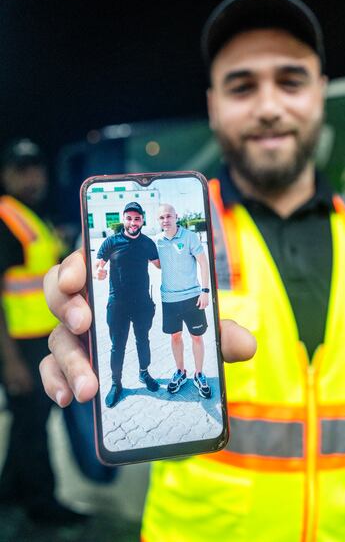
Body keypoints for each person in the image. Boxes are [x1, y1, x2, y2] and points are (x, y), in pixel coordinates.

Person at [39, 0, 345, 542]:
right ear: (213, 105)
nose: (268, 105)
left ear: (321, 93)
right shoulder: (182, 221)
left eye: (291, 80)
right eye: (242, 86)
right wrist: (81, 332)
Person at [0, 139, 86, 525]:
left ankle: (10, 492)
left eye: (36, 167)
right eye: (21, 169)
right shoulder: (6, 219)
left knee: (29, 425)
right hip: (20, 346)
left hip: (41, 340)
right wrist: (11, 362)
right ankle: (42, 504)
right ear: (5, 174)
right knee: (33, 427)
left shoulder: (34, 216)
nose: (32, 177)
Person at [95, 201, 161, 408]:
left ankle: (144, 373)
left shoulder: (148, 243)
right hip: (118, 305)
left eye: (137, 218)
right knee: (117, 346)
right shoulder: (111, 242)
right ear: (123, 219)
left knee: (143, 340)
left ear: (142, 220)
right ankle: (116, 384)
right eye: (129, 218)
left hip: (142, 303)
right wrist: (99, 272)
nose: (133, 222)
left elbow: (159, 264)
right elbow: (99, 264)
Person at [156, 203, 211, 398]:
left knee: (196, 337)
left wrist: (205, 291)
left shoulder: (189, 237)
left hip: (192, 297)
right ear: (158, 220)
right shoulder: (158, 241)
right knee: (175, 336)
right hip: (169, 299)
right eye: (162, 217)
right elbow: (158, 265)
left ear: (176, 216)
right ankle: (180, 372)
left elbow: (204, 263)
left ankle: (199, 374)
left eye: (169, 216)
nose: (166, 220)